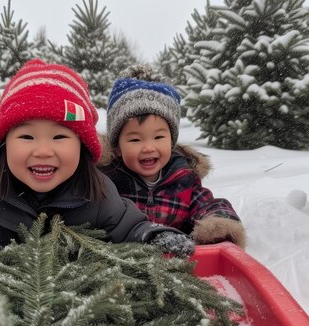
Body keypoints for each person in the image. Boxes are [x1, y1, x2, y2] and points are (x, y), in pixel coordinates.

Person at [0, 59, 195, 289]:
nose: (43, 151)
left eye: (60, 137)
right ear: (3, 146)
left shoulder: (97, 193)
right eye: (27, 137)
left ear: (83, 147)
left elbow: (130, 226)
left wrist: (154, 236)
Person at [98, 64, 246, 248]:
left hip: (176, 263)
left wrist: (218, 226)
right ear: (118, 147)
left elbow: (206, 205)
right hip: (125, 263)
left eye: (159, 137)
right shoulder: (107, 181)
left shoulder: (183, 178)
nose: (148, 147)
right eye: (135, 139)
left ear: (171, 141)